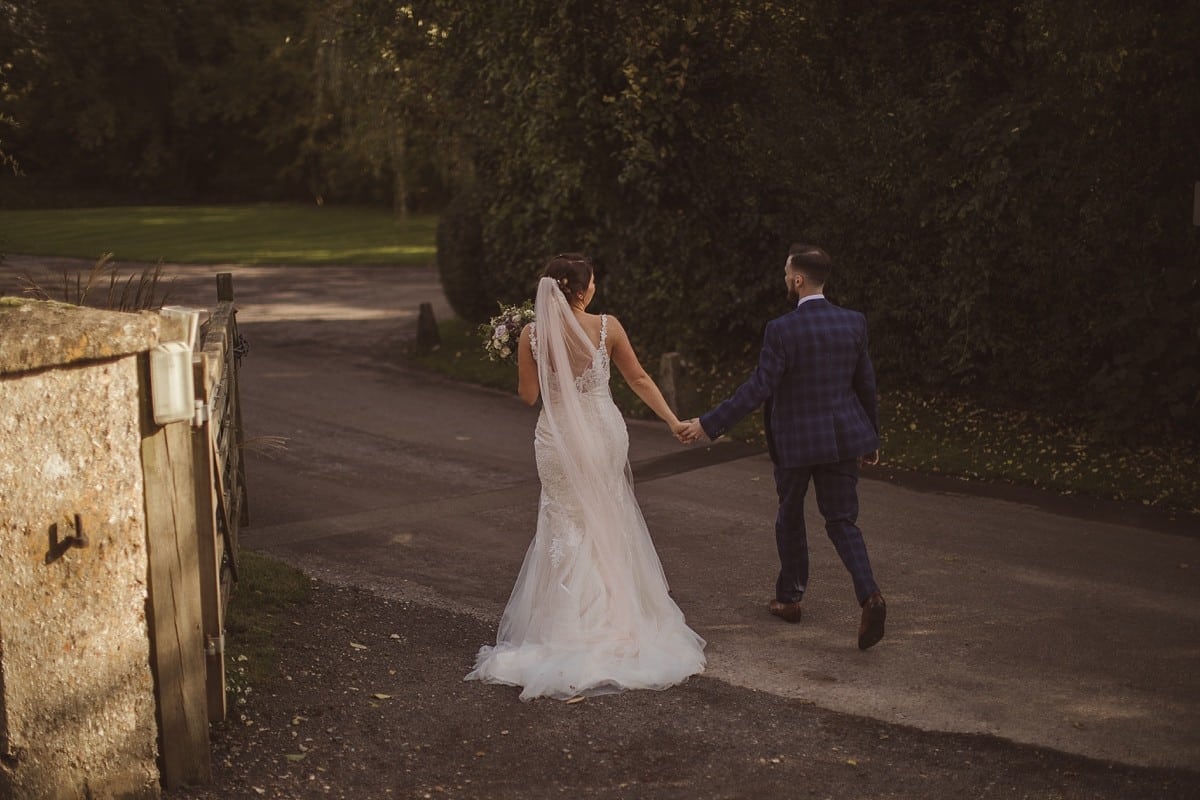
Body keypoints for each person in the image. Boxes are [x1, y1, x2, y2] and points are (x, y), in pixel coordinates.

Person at [466, 253, 706, 700]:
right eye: (592, 280)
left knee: (564, 520)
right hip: (602, 433)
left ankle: (565, 625)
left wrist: (529, 352)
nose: (595, 286)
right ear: (582, 289)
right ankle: (618, 621)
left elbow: (527, 396)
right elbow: (637, 378)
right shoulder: (607, 327)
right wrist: (673, 421)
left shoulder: (532, 334)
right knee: (607, 514)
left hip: (557, 441)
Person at [680, 244, 887, 650]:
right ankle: (871, 596)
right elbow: (866, 385)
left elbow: (759, 388)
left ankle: (790, 599)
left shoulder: (781, 329)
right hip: (844, 438)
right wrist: (871, 437)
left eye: (785, 273)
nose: (784, 280)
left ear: (797, 280)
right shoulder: (853, 322)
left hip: (795, 443)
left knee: (790, 517)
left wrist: (708, 424)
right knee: (843, 521)